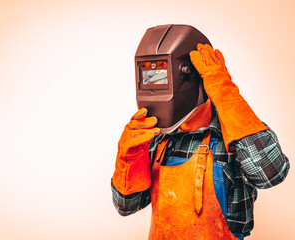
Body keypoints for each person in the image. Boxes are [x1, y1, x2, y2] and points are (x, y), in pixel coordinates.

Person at [111, 25, 290, 240]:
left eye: (162, 77)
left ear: (192, 75)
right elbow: (126, 207)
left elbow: (272, 173)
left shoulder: (236, 131)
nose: (155, 88)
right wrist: (129, 162)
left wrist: (223, 90)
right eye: (149, 77)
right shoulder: (157, 138)